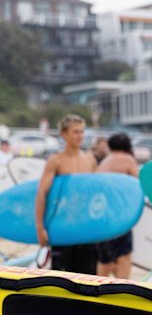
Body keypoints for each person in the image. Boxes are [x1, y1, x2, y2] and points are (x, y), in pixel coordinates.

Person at [35, 114, 98, 274]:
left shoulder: (90, 160)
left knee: (88, 279)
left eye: (82, 132)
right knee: (63, 280)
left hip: (87, 228)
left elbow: (97, 195)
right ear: (64, 134)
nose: (80, 136)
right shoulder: (56, 161)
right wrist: (40, 227)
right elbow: (42, 194)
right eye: (75, 132)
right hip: (63, 227)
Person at [95, 133, 139, 279]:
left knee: (104, 259)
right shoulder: (128, 160)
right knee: (124, 257)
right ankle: (123, 289)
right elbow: (137, 186)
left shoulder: (103, 163)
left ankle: (99, 289)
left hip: (103, 217)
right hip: (121, 216)